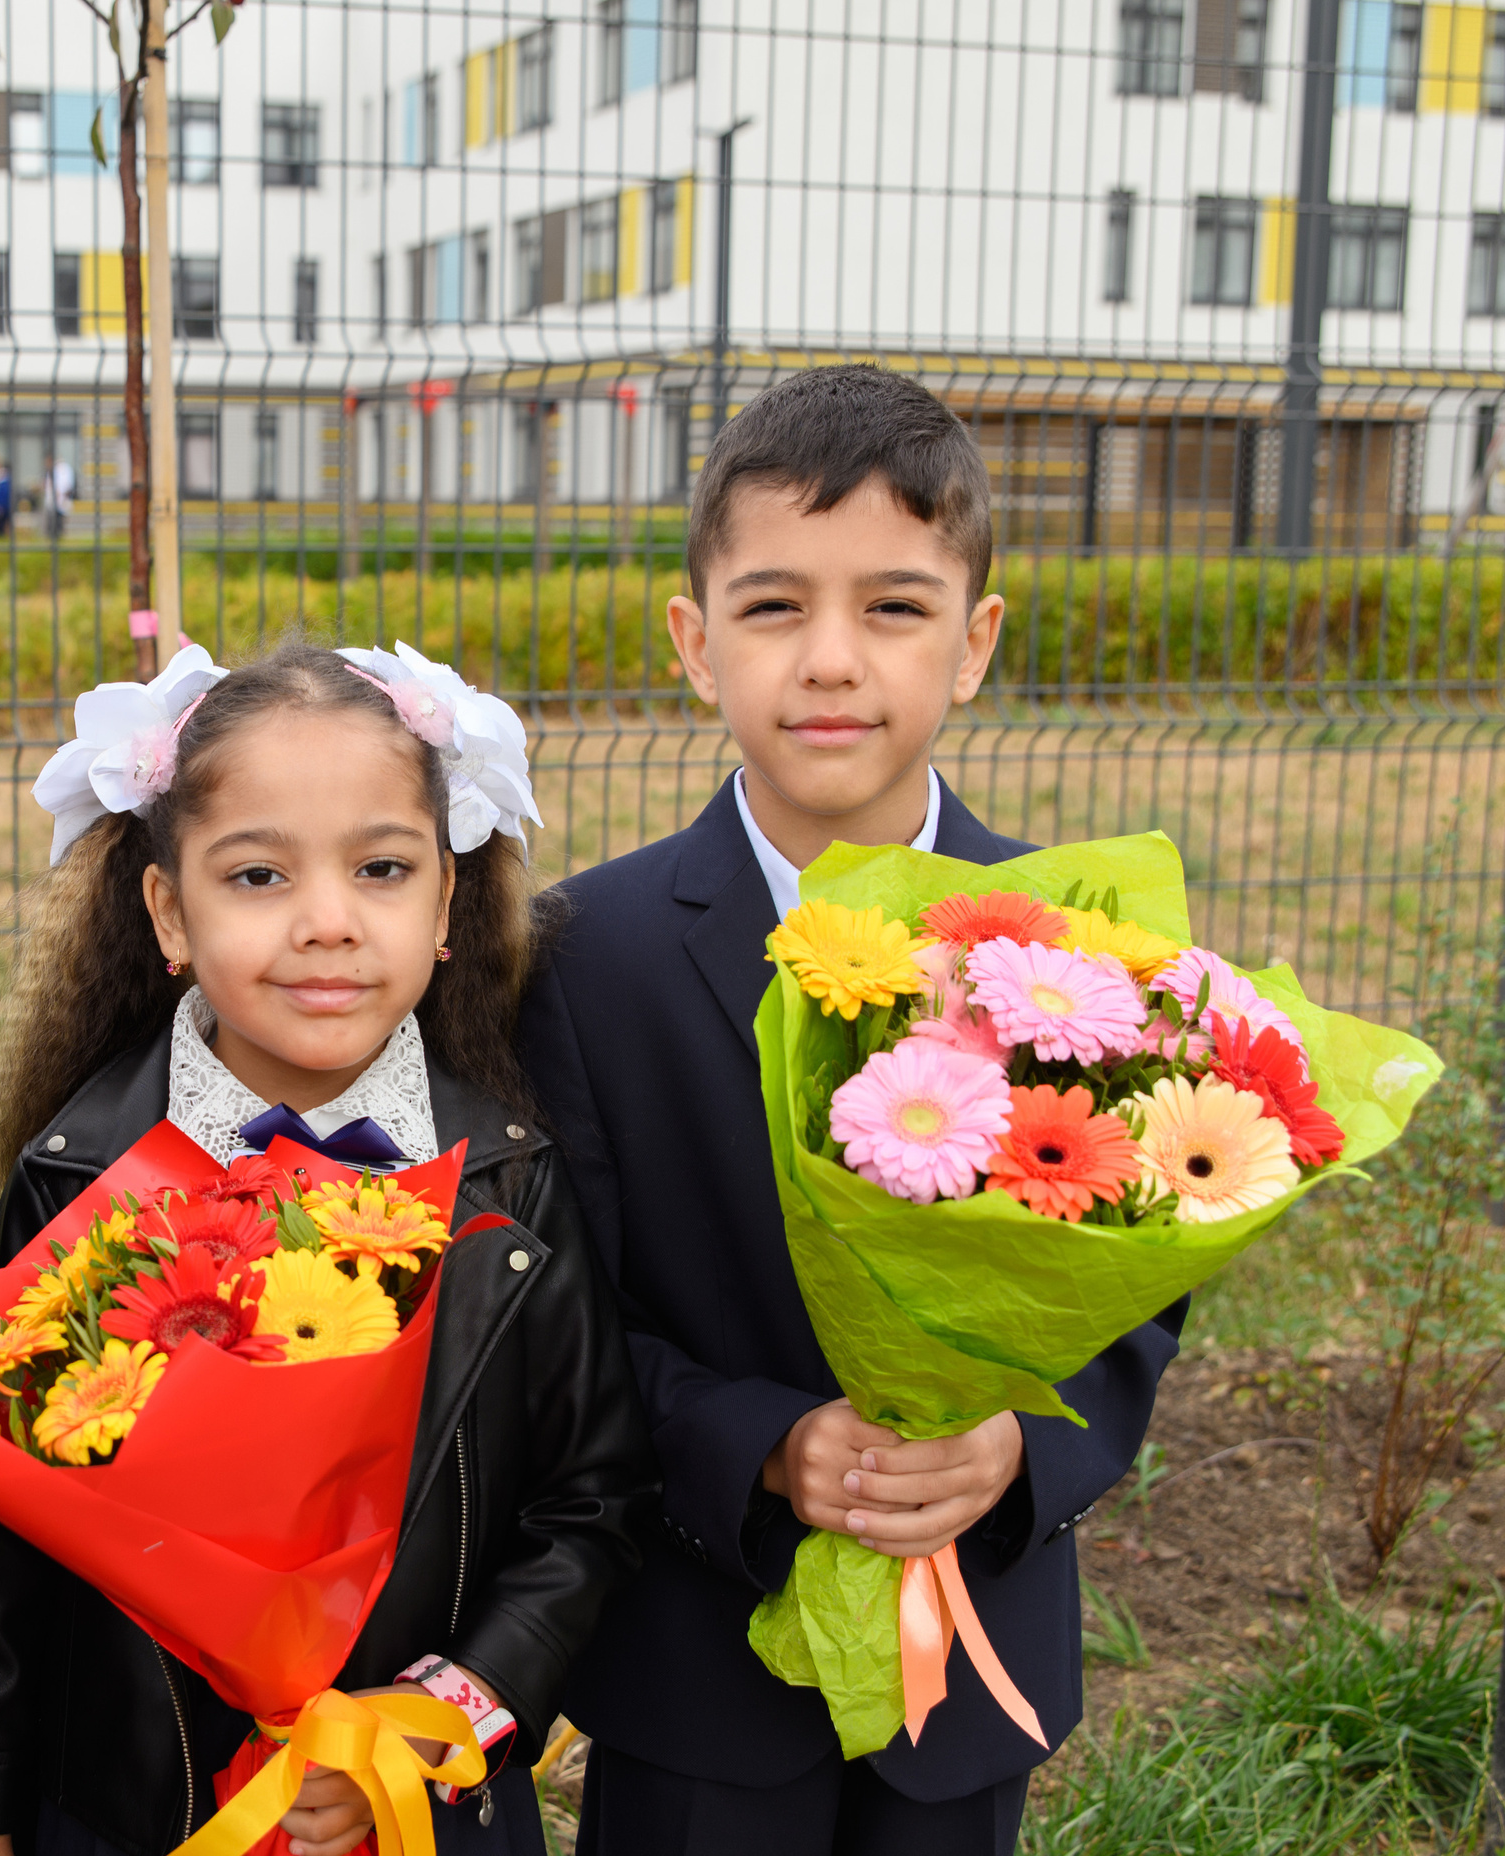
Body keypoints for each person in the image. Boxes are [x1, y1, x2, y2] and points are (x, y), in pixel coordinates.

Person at [516, 366, 1182, 1856]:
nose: (831, 659)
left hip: (972, 1657)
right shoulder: (581, 960)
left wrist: (1020, 1445)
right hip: (697, 1663)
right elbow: (557, 1316)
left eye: (893, 606)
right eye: (772, 607)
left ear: (975, 642)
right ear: (694, 646)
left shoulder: (1070, 962)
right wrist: (754, 1445)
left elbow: (1140, 1290)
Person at [0, 639, 653, 1856]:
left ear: (445, 906)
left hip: (430, 1813)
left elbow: (593, 1503)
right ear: (168, 908)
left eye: (381, 868)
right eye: (258, 874)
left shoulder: (513, 1182)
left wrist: (445, 1711)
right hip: (126, 1815)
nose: (327, 921)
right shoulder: (77, 1176)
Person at [40, 450, 72, 542]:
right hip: (51, 503)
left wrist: (59, 493)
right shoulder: (50, 471)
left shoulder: (62, 469)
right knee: (51, 527)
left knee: (57, 526)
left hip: (59, 502)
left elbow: (66, 486)